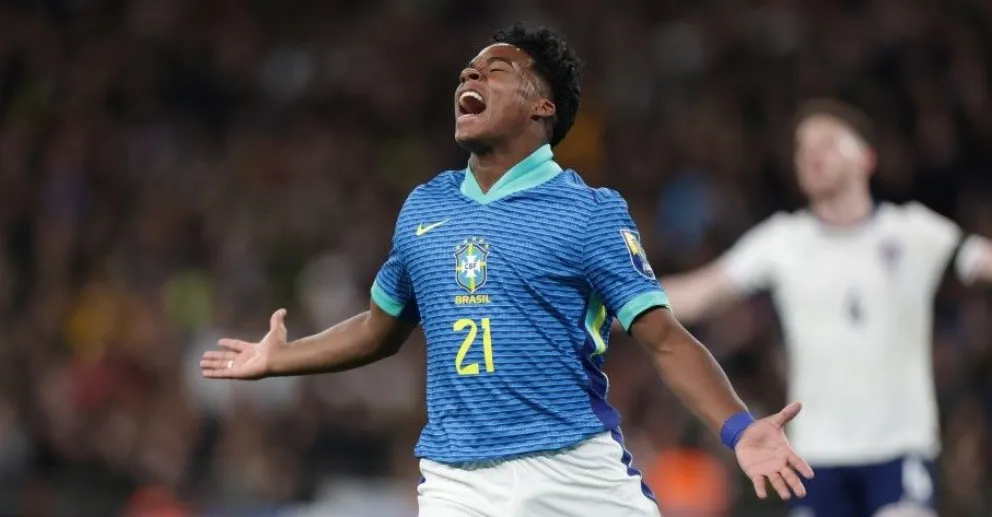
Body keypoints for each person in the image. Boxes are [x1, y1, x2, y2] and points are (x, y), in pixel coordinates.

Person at [200, 24, 813, 517]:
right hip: (457, 479)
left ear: (542, 105)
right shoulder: (424, 207)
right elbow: (377, 330)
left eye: (495, 70)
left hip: (574, 470)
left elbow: (665, 338)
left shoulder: (589, 213)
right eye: (468, 70)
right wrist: (282, 358)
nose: (470, 75)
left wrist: (738, 430)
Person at [661, 98, 992, 517]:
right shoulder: (782, 241)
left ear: (867, 158)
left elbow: (983, 261)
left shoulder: (913, 231)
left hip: (899, 449)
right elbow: (701, 293)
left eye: (829, 142)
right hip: (815, 456)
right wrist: (616, 299)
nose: (812, 154)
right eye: (803, 147)